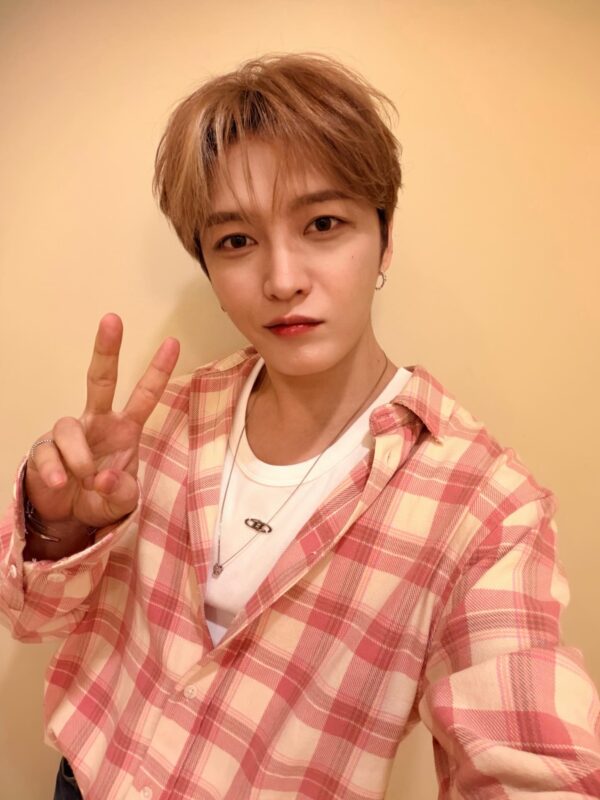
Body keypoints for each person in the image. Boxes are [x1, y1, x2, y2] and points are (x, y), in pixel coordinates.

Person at [1, 53, 599, 800]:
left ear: (384, 237)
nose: (282, 279)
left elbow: (529, 754)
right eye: (236, 241)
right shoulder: (167, 418)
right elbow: (32, 622)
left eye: (323, 224)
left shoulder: (483, 505)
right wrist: (58, 525)